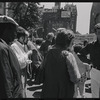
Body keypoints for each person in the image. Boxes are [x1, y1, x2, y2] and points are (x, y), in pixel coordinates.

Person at [41, 29, 83, 98]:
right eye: (72, 42)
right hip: (64, 92)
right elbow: (74, 78)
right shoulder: (68, 55)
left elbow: (43, 70)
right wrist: (81, 77)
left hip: (48, 91)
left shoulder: (49, 53)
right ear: (68, 42)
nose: (73, 44)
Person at [0, 15, 23, 98]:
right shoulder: (2, 49)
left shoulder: (5, 46)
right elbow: (5, 82)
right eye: (14, 31)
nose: (15, 35)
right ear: (6, 30)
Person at [79, 23, 100, 98]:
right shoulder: (91, 45)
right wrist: (89, 62)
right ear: (96, 33)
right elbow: (80, 54)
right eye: (99, 33)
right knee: (95, 95)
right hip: (95, 71)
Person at [11, 26, 32, 97]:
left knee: (23, 89)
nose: (28, 39)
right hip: (20, 72)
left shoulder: (21, 45)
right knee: (21, 90)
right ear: (22, 37)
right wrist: (28, 54)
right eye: (27, 37)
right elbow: (19, 62)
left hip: (23, 71)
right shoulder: (14, 46)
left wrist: (26, 61)